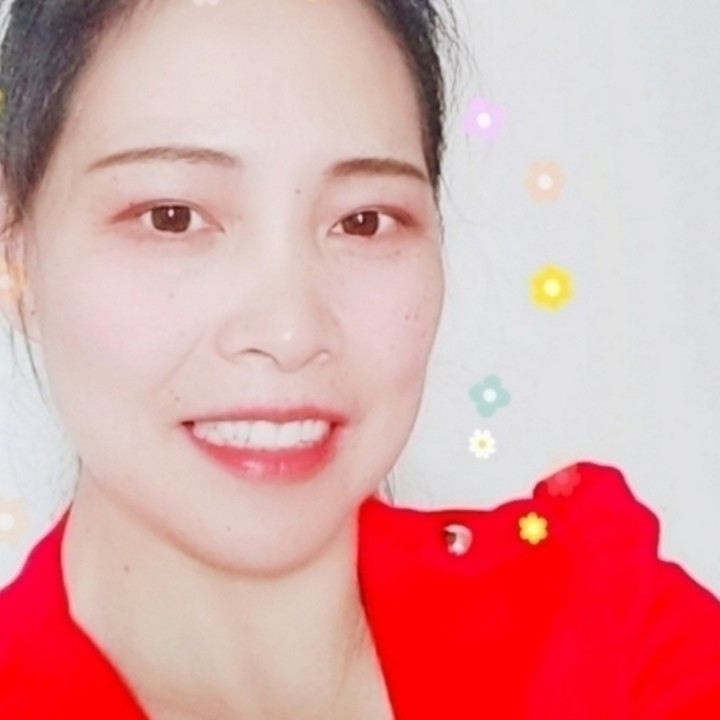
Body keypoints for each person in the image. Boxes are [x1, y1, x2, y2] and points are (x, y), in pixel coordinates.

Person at [0, 0, 718, 718]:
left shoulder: (605, 636)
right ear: (15, 251)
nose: (290, 330)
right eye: (172, 218)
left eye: (362, 222)